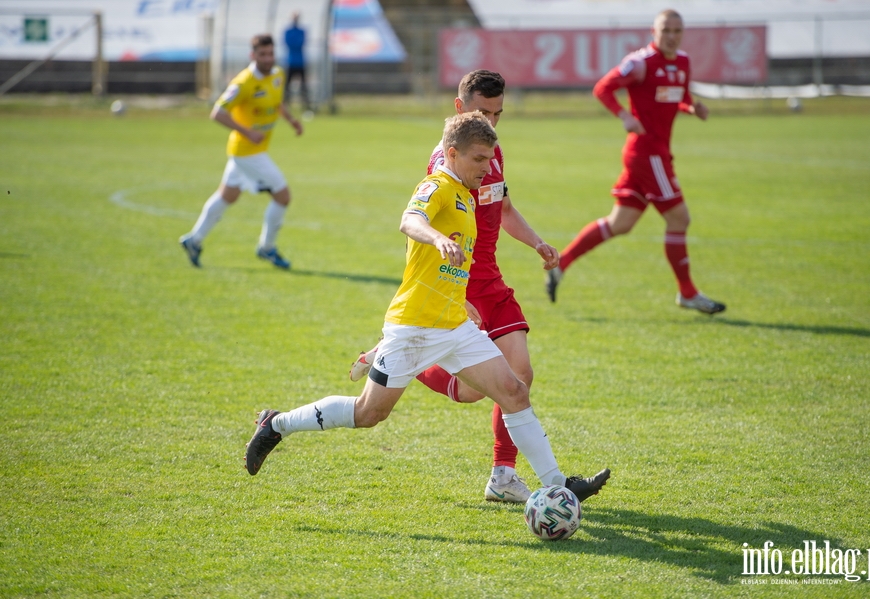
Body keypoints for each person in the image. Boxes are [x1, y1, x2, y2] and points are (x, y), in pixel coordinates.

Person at [244, 112, 611, 506]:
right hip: (413, 328)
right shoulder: (437, 185)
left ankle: (558, 485)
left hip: (454, 326)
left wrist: (461, 300)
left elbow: (449, 266)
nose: (487, 169)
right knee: (369, 414)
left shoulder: (468, 195)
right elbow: (409, 220)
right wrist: (436, 238)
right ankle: (277, 424)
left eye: (490, 159)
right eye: (478, 159)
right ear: (451, 153)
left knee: (514, 390)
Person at [349, 70, 566, 504]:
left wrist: (537, 241)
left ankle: (504, 475)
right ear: (459, 108)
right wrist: (455, 291)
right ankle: (394, 356)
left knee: (519, 375)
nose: (491, 120)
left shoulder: (492, 153)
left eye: (497, 113)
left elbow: (503, 209)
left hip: (492, 277)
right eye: (482, 111)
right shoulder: (445, 161)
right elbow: (424, 220)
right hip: (460, 283)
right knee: (470, 392)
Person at [545, 9, 726, 315]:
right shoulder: (640, 63)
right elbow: (602, 88)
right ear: (653, 32)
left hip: (654, 153)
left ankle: (561, 264)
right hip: (647, 153)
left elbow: (674, 97)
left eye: (677, 30)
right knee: (679, 218)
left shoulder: (682, 62)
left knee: (621, 223)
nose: (671, 35)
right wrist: (625, 115)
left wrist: (692, 108)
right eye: (666, 30)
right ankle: (688, 293)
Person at [179, 34, 303, 270]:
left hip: (253, 150)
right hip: (247, 151)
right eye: (262, 54)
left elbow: (276, 102)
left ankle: (194, 240)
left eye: (270, 53)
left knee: (228, 196)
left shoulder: (277, 74)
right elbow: (217, 113)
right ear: (252, 55)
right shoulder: (243, 82)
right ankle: (267, 248)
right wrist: (247, 132)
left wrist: (291, 120)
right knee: (283, 196)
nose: (268, 58)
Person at [283, 12, 309, 110]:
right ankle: (285, 105)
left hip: (301, 62)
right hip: (290, 61)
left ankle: (306, 106)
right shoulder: (288, 31)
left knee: (304, 86)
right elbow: (289, 43)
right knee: (287, 86)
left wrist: (295, 43)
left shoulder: (302, 31)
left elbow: (301, 43)